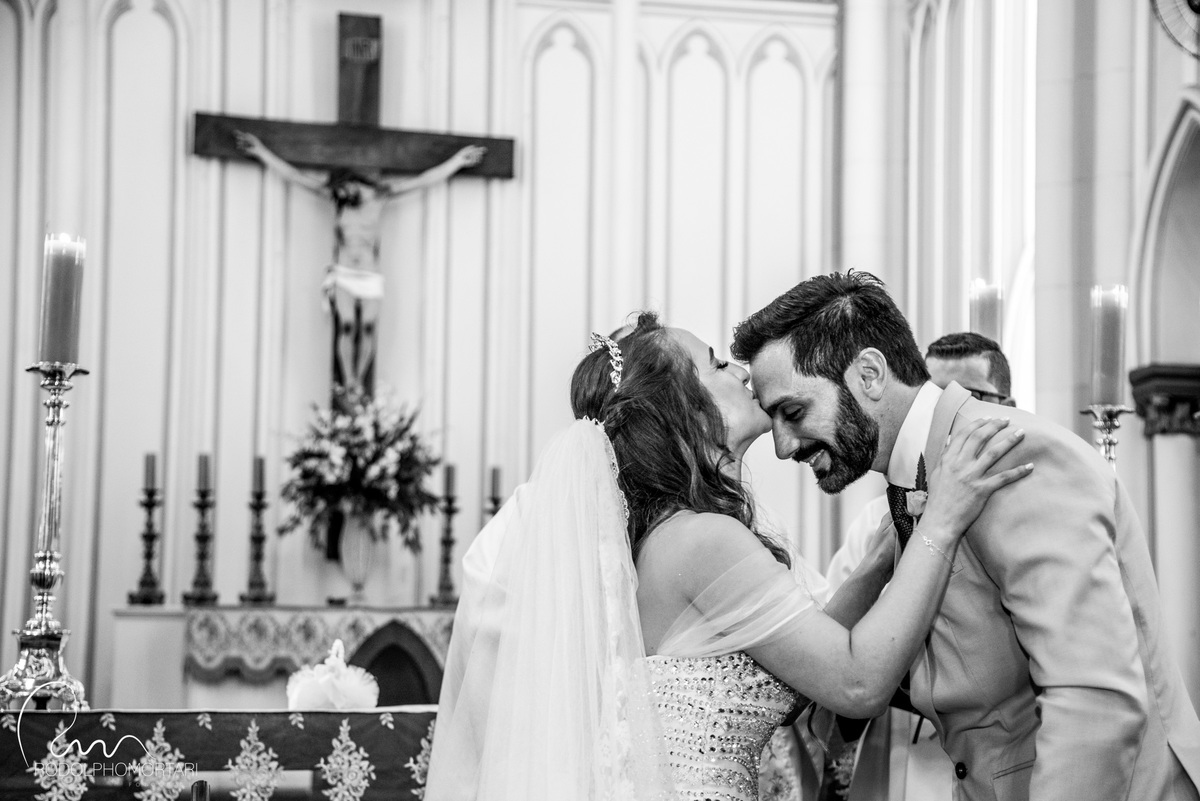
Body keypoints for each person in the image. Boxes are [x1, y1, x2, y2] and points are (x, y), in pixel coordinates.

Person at [426, 312, 1031, 800]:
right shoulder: (702, 541)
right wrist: (942, 519)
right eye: (716, 363)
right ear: (685, 406)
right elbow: (855, 684)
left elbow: (805, 671)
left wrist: (883, 557)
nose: (740, 372)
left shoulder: (667, 536)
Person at [732, 271, 1200, 801]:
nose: (782, 446)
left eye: (793, 412)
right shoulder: (916, 477)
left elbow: (1094, 703)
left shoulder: (1007, 454)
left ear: (869, 374)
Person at [825, 331, 1017, 800]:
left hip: (999, 760)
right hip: (898, 759)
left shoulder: (1018, 515)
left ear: (1008, 407)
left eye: (969, 398)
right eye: (935, 398)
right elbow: (833, 644)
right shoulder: (879, 518)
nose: (945, 417)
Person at [234, 131, 485, 397]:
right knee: (346, 326)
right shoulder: (338, 199)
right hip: (344, 272)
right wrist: (261, 152)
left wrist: (456, 162)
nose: (341, 194)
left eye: (345, 189)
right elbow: (296, 177)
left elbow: (423, 180)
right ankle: (349, 378)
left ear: (354, 182)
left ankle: (359, 377)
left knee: (367, 327)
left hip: (369, 273)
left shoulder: (380, 196)